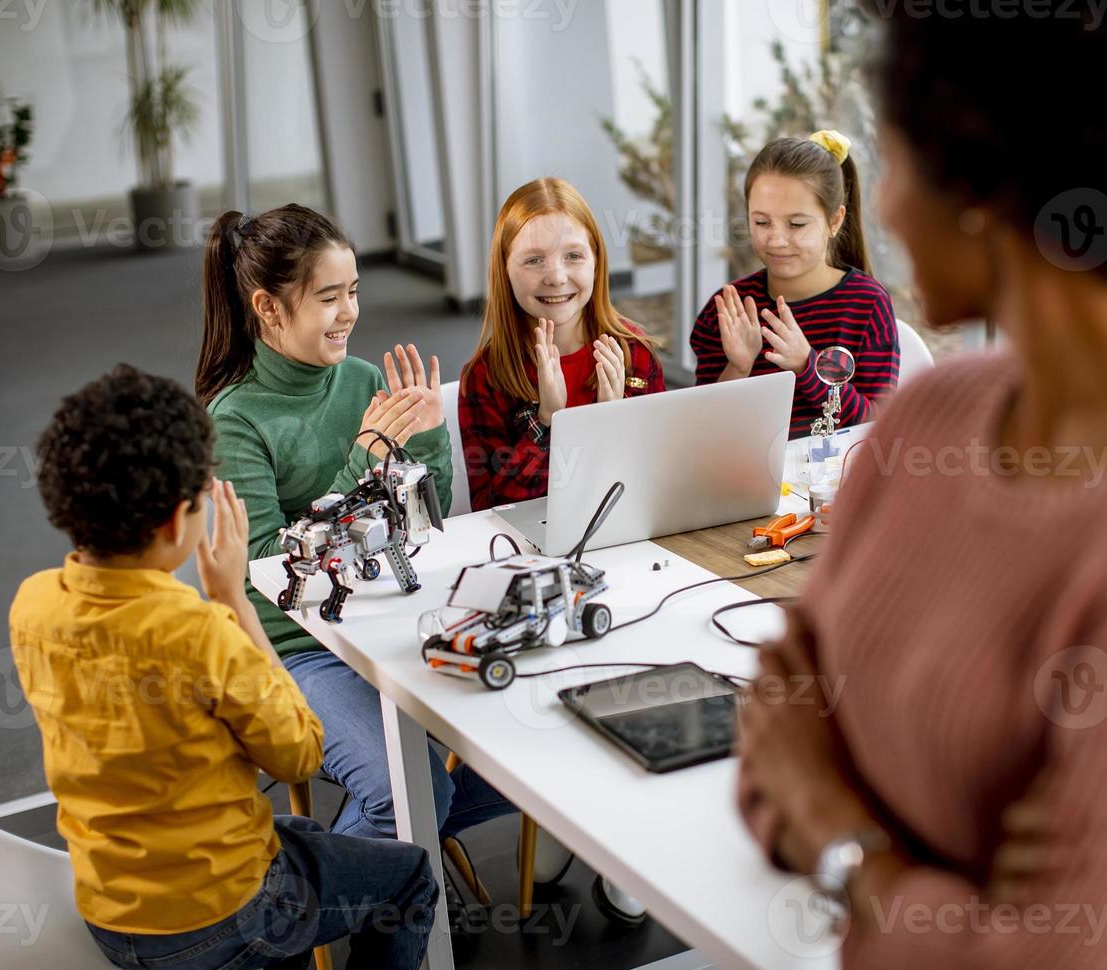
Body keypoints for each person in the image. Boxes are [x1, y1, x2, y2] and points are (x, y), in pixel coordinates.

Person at [736, 4, 1107, 970]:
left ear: (988, 182)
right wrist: (941, 891)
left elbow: (1037, 967)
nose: (882, 210)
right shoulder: (931, 420)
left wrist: (841, 834)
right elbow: (782, 702)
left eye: (900, 167)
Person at [10, 365, 437, 970]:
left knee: (294, 835)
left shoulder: (34, 602)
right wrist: (234, 599)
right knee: (409, 877)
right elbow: (296, 754)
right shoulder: (199, 626)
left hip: (110, 911)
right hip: (219, 916)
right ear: (173, 522)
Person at [199, 204, 515, 841]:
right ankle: (342, 886)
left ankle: (406, 855)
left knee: (533, 752)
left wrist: (426, 441)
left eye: (354, 292)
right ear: (267, 308)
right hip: (301, 649)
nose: (350, 312)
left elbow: (423, 526)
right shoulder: (233, 419)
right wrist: (361, 460)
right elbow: (261, 569)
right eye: (329, 297)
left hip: (390, 615)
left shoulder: (363, 379)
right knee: (410, 794)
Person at [459, 177, 666, 511]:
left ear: (596, 262)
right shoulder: (485, 378)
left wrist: (612, 419)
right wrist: (549, 420)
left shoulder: (636, 355)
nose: (555, 276)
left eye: (573, 255)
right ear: (504, 270)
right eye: (533, 260)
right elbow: (489, 509)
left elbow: (660, 480)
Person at [690, 131, 899, 437]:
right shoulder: (727, 310)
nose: (776, 240)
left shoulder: (866, 305)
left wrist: (808, 366)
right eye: (761, 222)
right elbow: (702, 430)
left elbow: (879, 424)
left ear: (835, 220)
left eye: (797, 224)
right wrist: (738, 367)